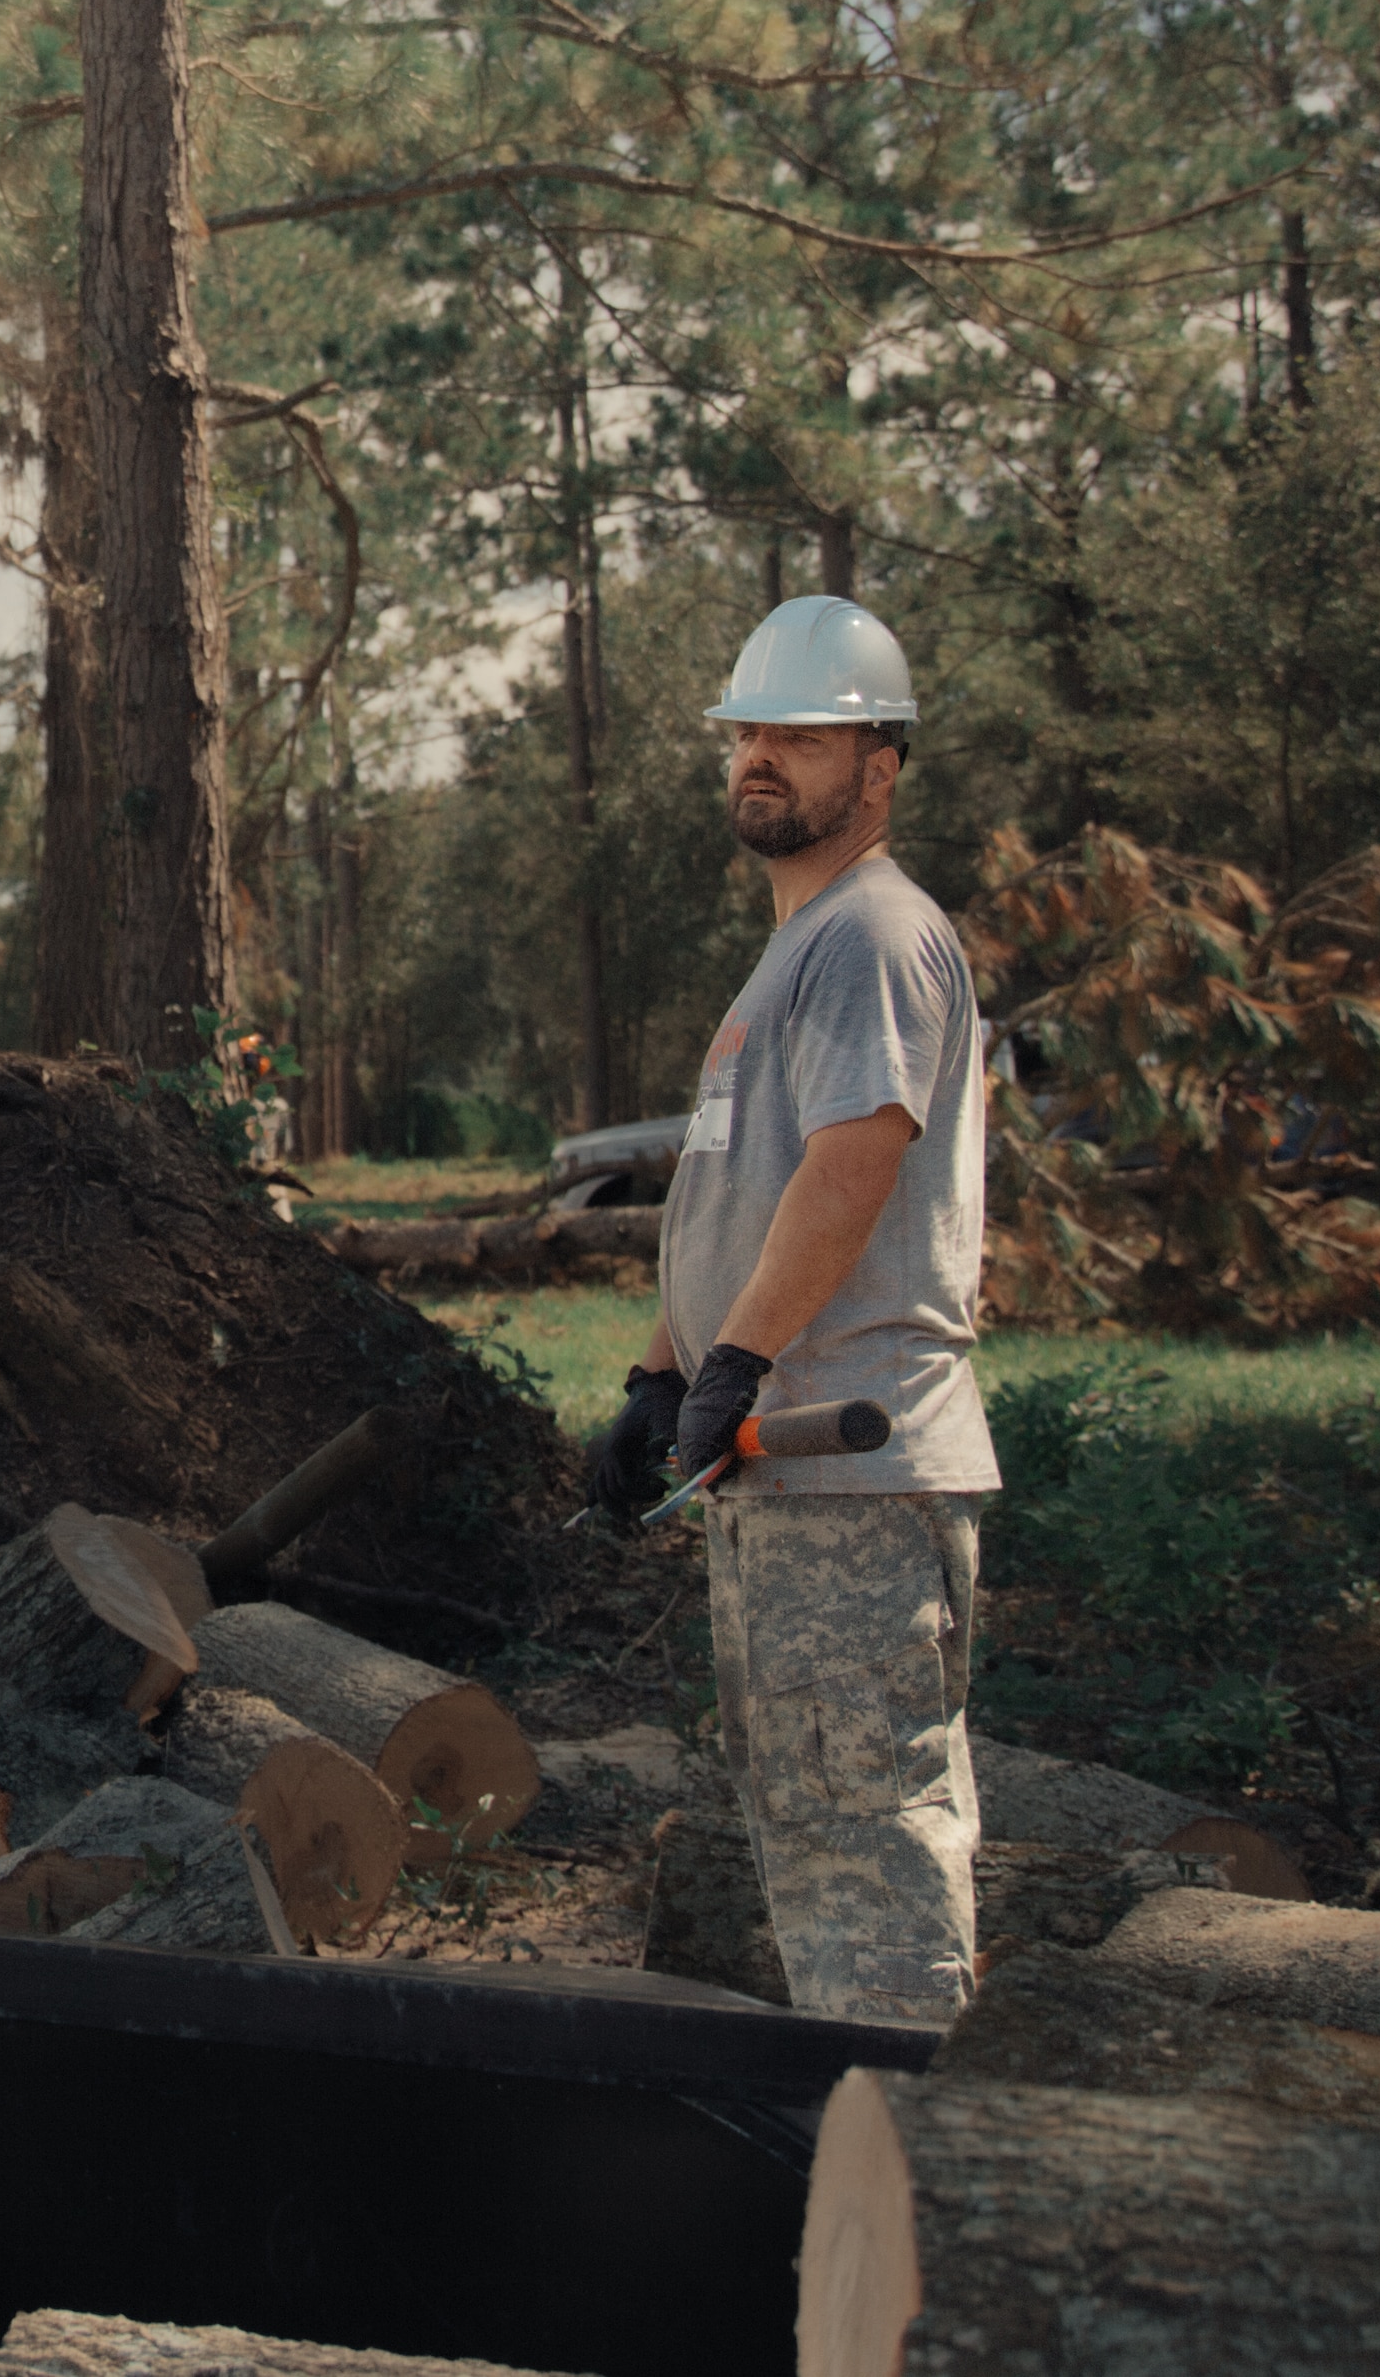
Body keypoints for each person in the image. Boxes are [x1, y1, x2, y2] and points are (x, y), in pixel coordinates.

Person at [584, 594, 1001, 2025]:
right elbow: (731, 1196)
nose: (762, 756)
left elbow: (854, 1162)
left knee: (868, 1840)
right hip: (785, 1473)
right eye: (751, 731)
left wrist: (744, 1356)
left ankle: (921, 2159)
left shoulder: (877, 932)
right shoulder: (796, 951)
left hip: (851, 1469)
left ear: (876, 770)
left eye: (801, 737)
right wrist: (663, 1375)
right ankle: (862, 2161)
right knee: (814, 1833)